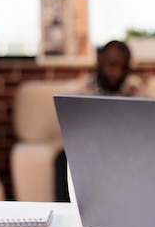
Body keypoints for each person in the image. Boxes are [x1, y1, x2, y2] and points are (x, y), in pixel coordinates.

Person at [54, 40, 149, 201]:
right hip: (88, 153)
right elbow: (66, 136)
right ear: (100, 61)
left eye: (123, 68)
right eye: (112, 65)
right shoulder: (77, 92)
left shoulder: (137, 92)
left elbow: (149, 130)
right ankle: (68, 212)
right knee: (62, 159)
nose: (117, 73)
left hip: (125, 153)